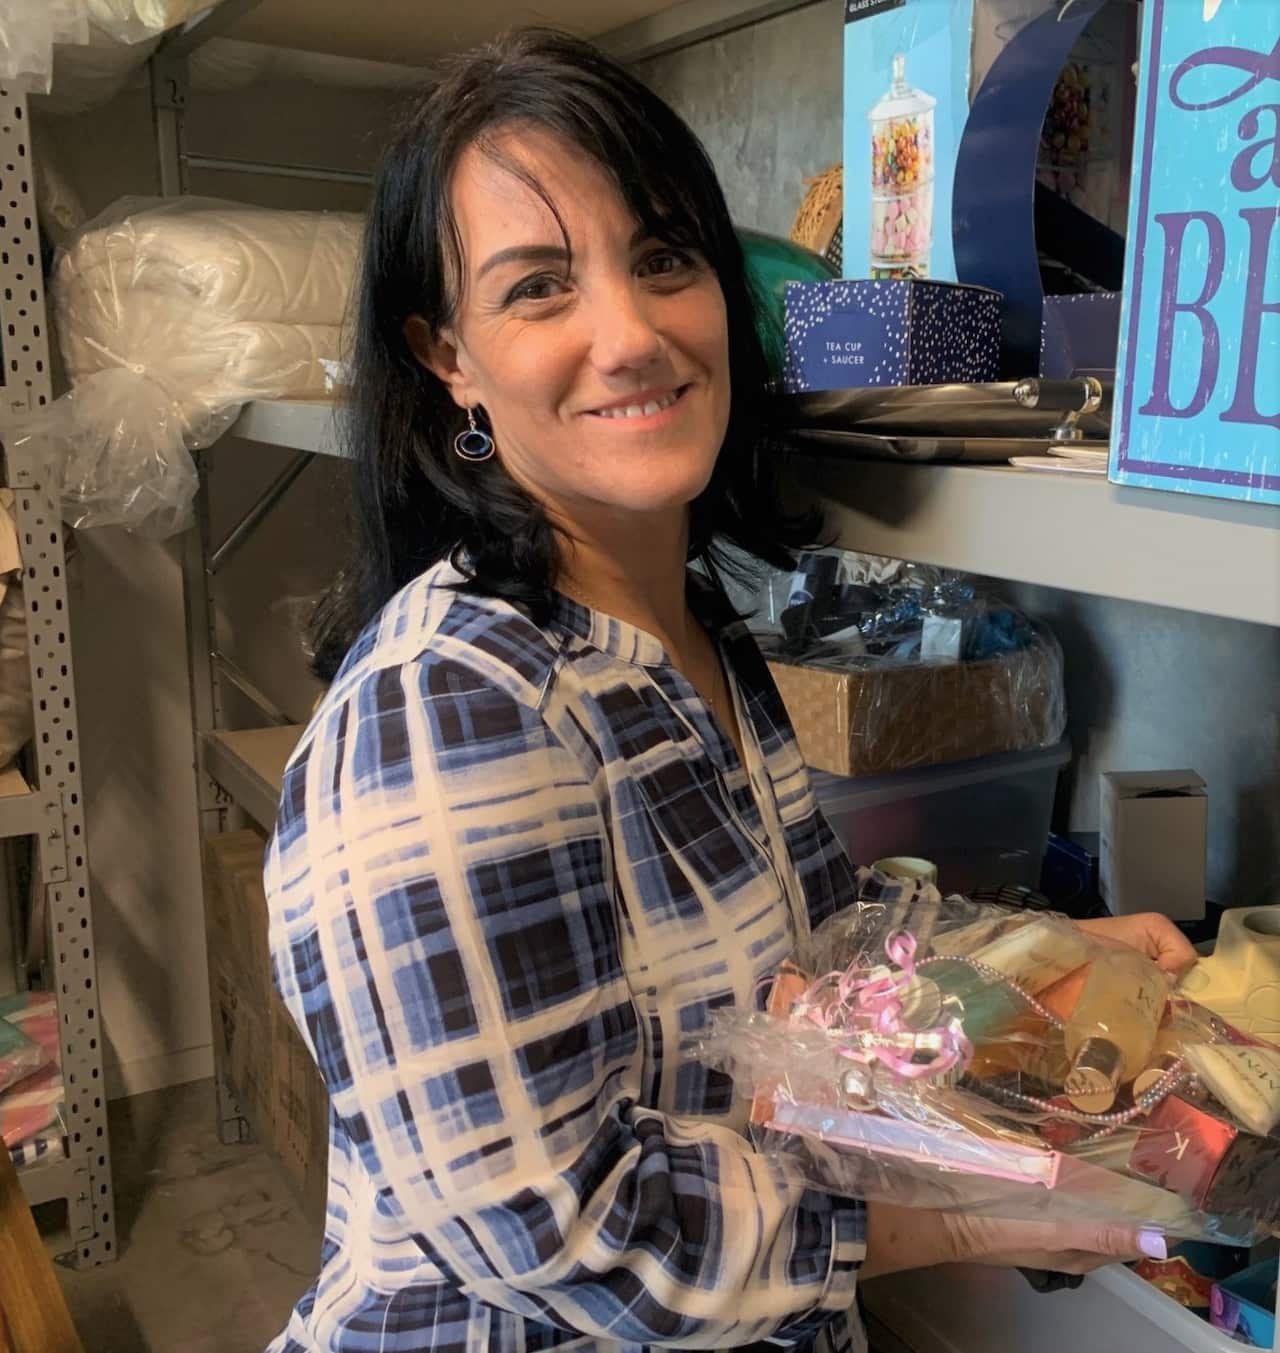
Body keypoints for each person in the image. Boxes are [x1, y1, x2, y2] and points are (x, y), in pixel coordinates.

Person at [264, 28, 1197, 1353]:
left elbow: (810, 959)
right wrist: (986, 1211)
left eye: (661, 259)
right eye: (539, 288)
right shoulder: (448, 713)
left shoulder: (683, 625)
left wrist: (1043, 963)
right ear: (447, 358)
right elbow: (576, 1232)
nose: (631, 335)